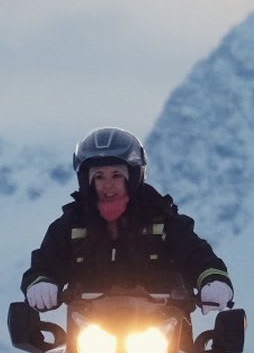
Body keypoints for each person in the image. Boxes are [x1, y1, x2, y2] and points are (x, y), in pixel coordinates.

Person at [21, 126, 234, 314]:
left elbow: (197, 255)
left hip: (167, 333)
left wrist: (213, 281)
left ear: (133, 177)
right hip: (88, 337)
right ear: (86, 181)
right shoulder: (71, 225)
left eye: (116, 175)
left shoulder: (164, 220)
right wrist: (41, 284)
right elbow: (44, 264)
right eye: (99, 177)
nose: (108, 184)